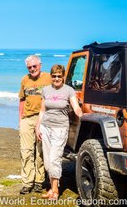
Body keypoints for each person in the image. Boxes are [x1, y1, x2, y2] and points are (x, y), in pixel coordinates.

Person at [35, 64, 83, 200]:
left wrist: (81, 114)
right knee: (48, 161)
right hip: (45, 127)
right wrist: (38, 126)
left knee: (55, 159)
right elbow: (43, 110)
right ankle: (52, 187)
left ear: (63, 77)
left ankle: (55, 191)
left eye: (59, 76)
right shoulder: (45, 90)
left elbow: (75, 107)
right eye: (54, 76)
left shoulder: (69, 90)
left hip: (60, 129)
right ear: (51, 76)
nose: (56, 78)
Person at [18, 55, 52, 194]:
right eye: (29, 67)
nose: (32, 69)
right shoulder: (24, 79)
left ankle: (39, 181)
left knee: (40, 151)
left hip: (43, 118)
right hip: (27, 118)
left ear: (40, 65)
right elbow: (21, 99)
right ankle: (27, 182)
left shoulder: (49, 78)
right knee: (26, 151)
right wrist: (21, 119)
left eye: (34, 66)